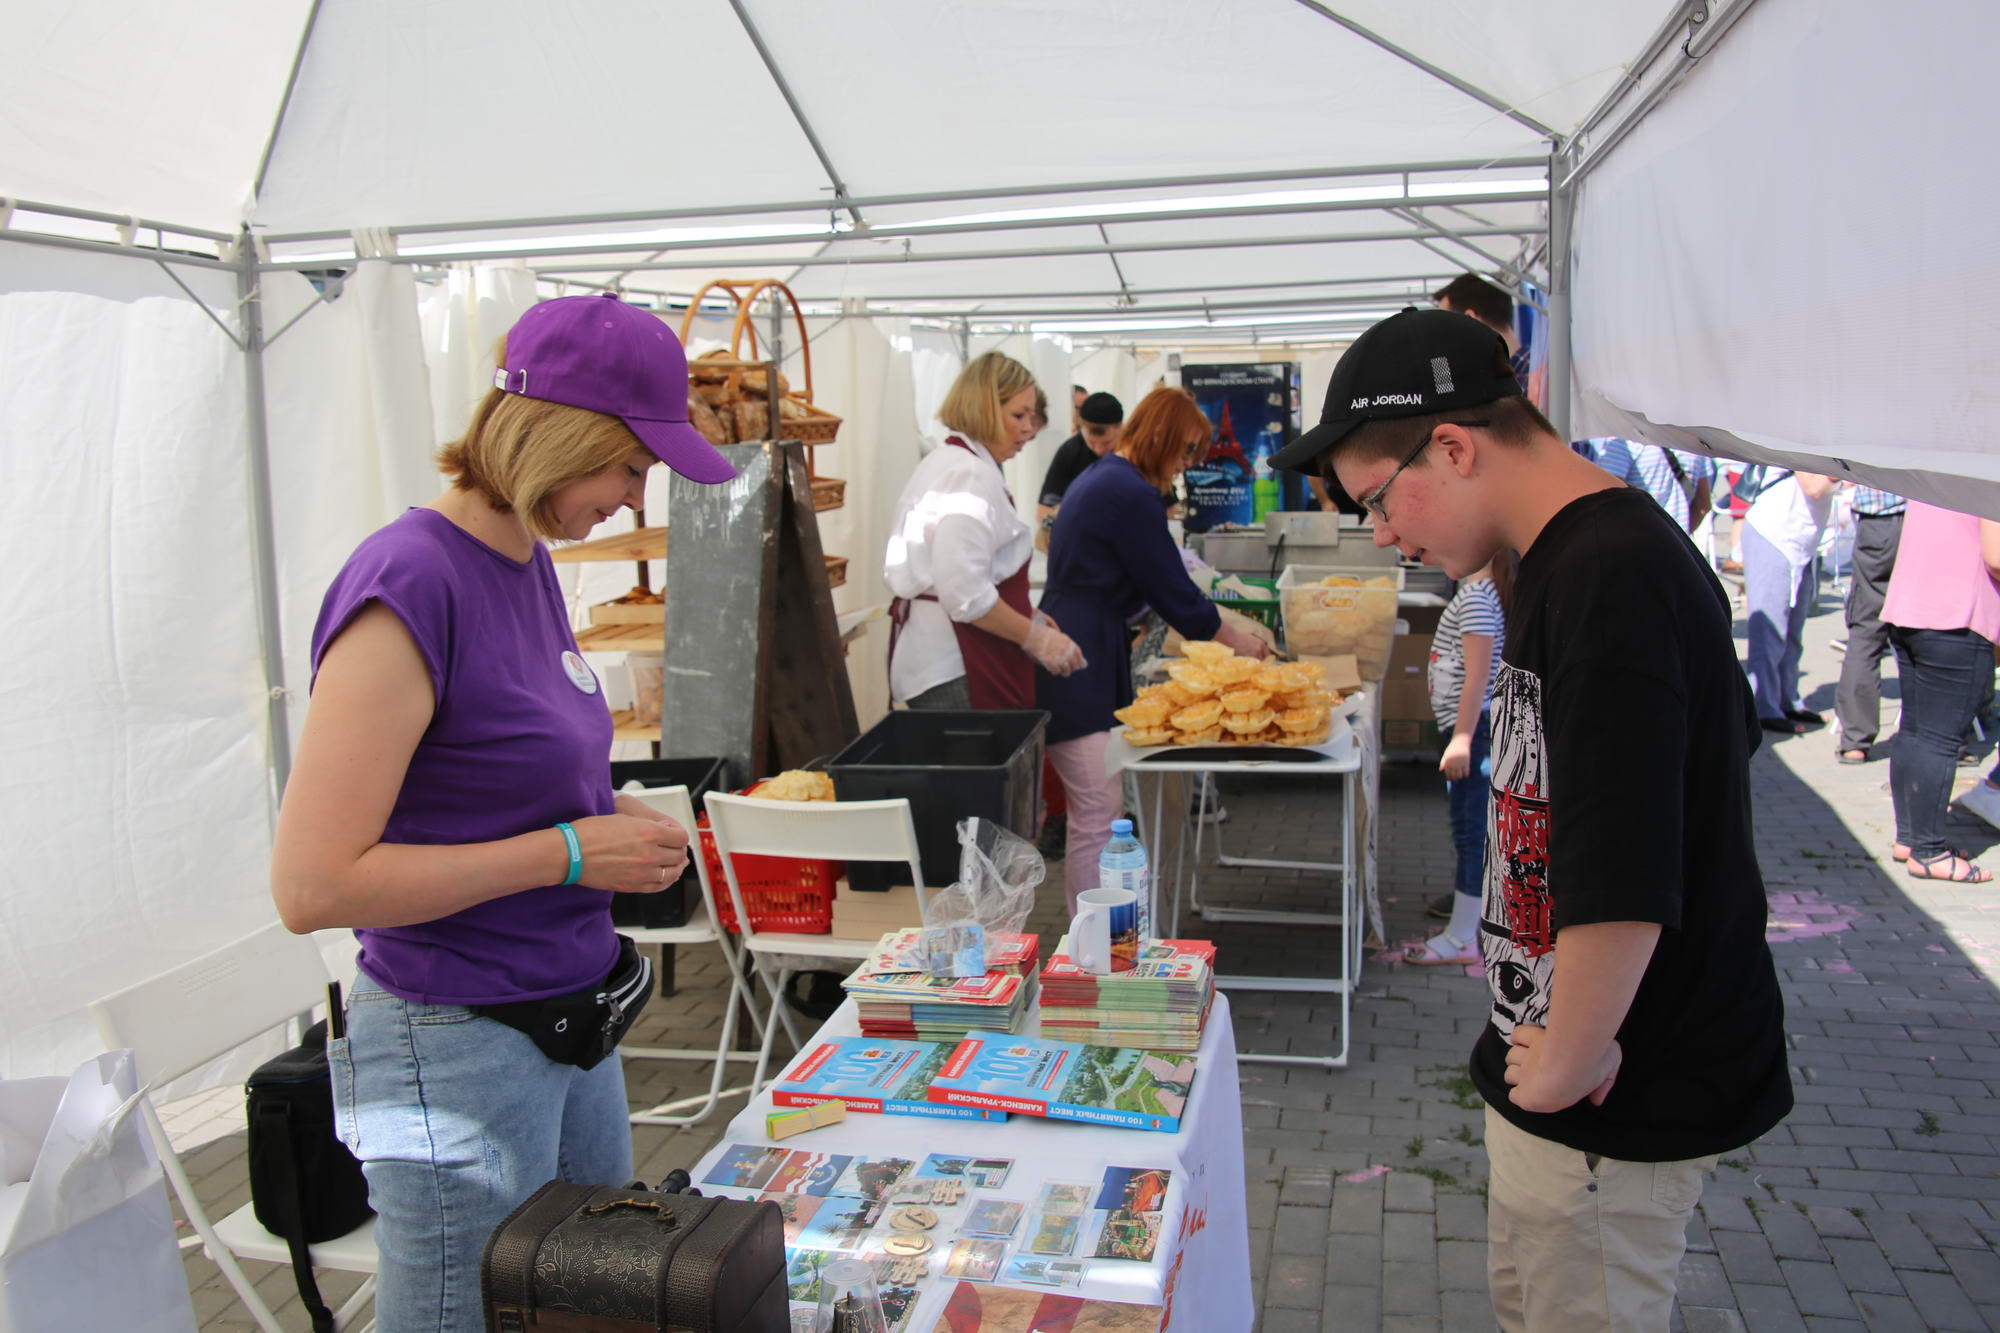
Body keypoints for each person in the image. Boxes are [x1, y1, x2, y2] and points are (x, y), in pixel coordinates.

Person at [1270, 306, 1790, 1330]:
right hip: (1566, 1070)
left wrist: (1570, 1052)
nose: (1385, 535)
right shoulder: (1565, 556)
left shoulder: (1611, 573)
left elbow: (1630, 851)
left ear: (1453, 447)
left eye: (1377, 501)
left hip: (1613, 1090)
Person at [269, 293, 730, 1333]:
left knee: (589, 1304)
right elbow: (313, 885)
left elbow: (480, 775)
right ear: (560, 436)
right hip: (458, 1039)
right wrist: (567, 850)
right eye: (628, 467)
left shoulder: (526, 560)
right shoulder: (410, 579)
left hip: (568, 1018)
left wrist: (599, 813)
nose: (634, 497)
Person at [1036, 388, 1269, 908]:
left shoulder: (1107, 477)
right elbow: (1171, 588)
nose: (1186, 465)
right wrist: (1236, 641)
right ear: (1162, 436)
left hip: (1081, 637)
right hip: (1081, 649)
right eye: (1186, 451)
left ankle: (1093, 931)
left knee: (1096, 807)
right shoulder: (1128, 490)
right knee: (1097, 809)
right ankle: (1093, 936)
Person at [1881, 501, 2000, 881]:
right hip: (1956, 617)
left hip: (1911, 608)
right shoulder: (1986, 479)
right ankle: (1929, 852)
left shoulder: (1941, 475)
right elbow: (1996, 556)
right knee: (1939, 740)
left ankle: (1911, 839)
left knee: (1915, 732)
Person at [1408, 552, 1514, 967]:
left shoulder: (1478, 598)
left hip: (1472, 730)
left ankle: (1462, 937)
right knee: (1474, 830)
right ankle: (1470, 923)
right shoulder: (1484, 594)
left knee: (1471, 832)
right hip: (1471, 729)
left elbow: (1478, 676)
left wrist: (1462, 740)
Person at [1741, 469, 1837, 733]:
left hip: (1802, 543)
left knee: (1793, 632)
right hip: (1774, 535)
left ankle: (1788, 700)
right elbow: (1813, 487)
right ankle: (1764, 707)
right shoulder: (1813, 447)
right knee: (1770, 631)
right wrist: (1842, 470)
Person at [1834, 485, 1906, 763]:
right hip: (1926, 517)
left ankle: (1856, 739)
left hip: (1882, 521)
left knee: (1866, 634)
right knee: (1931, 628)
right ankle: (1942, 738)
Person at [1036, 391, 1125, 549]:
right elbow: (1045, 509)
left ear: (1121, 428)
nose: (1098, 449)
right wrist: (1051, 526)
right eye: (1091, 442)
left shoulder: (1134, 453)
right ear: (1080, 427)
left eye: (1107, 443)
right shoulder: (1070, 452)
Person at [1583, 437, 1714, 534]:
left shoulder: (1623, 442)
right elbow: (1703, 505)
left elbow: (1605, 501)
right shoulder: (1694, 444)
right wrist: (1678, 538)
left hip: (1635, 545)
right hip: (1679, 547)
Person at [1434, 273, 1526, 389]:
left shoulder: (1531, 379)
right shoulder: (1530, 371)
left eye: (1444, 325)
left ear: (1469, 319)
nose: (1443, 337)